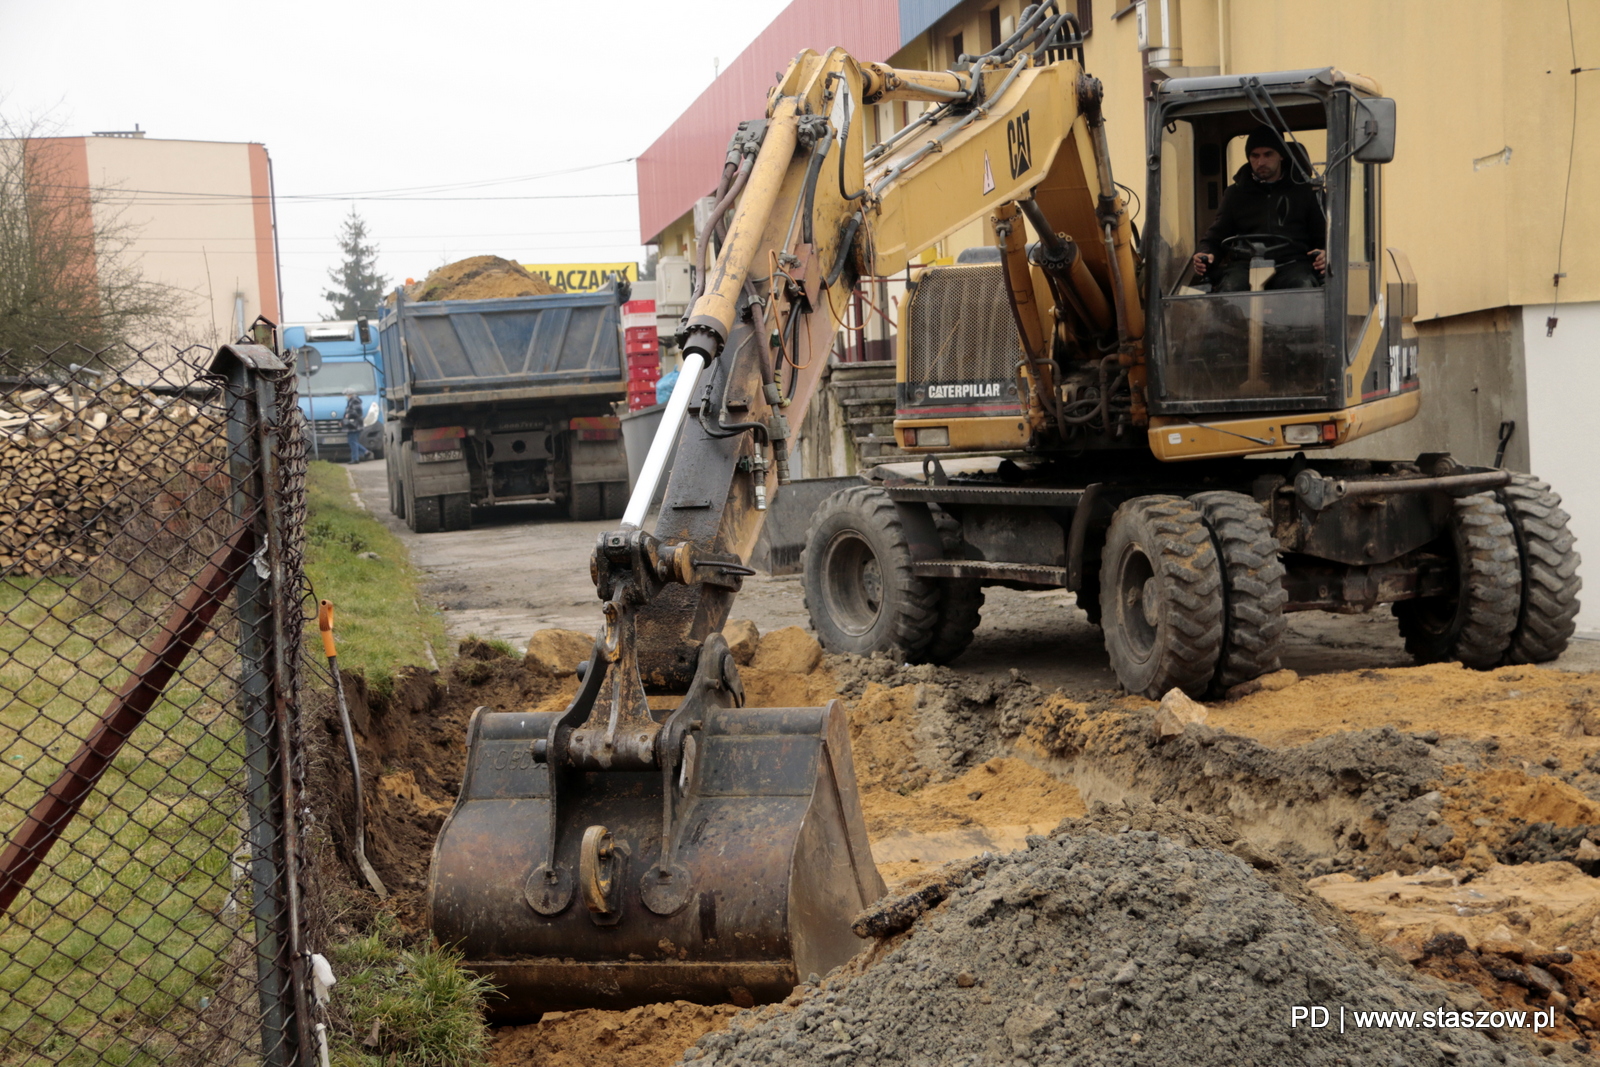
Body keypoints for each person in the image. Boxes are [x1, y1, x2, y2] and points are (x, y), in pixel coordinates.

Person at [1191, 124, 1327, 293]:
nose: (1260, 162)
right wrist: (1206, 253)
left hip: (1293, 264)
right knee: (1230, 288)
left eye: (1268, 154)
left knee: (1302, 285)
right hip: (1246, 266)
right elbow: (1214, 237)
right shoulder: (1235, 194)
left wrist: (1324, 253)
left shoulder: (1306, 192)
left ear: (1281, 156)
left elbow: (1324, 237)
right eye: (1254, 156)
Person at [342, 386, 372, 463]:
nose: (346, 396)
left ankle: (355, 459)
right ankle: (365, 452)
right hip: (352, 425)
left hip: (355, 425)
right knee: (352, 441)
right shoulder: (351, 401)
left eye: (346, 395)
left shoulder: (355, 400)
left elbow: (358, 412)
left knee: (352, 441)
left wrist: (349, 415)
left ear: (349, 394)